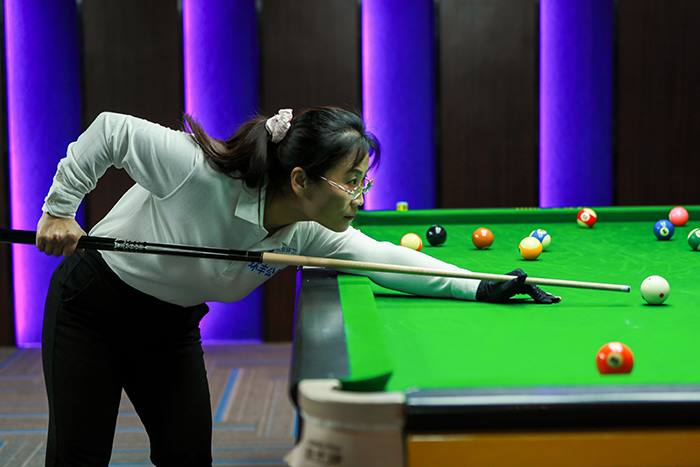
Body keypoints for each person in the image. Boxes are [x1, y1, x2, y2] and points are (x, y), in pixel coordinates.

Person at [36, 106, 559, 466]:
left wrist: (481, 285)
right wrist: (59, 209)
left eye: (363, 180)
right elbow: (111, 131)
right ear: (301, 180)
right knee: (79, 458)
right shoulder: (198, 171)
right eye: (350, 180)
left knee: (188, 457)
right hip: (92, 310)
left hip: (170, 328)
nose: (360, 196)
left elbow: (386, 259)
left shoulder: (309, 230)